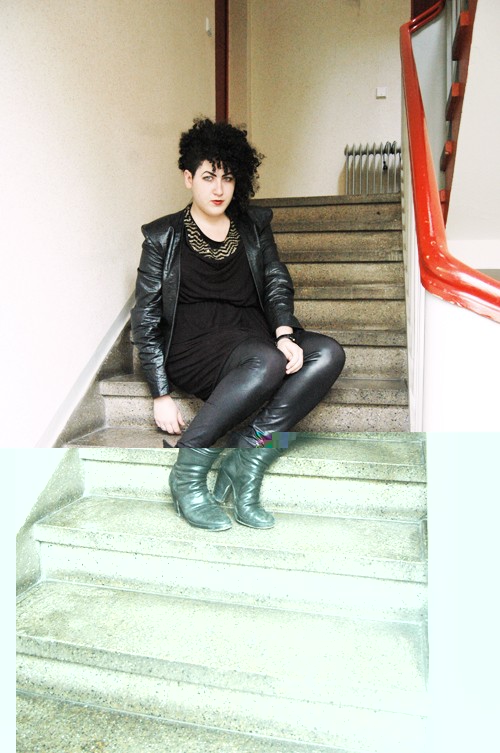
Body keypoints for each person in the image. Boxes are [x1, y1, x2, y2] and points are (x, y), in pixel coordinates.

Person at [131, 118, 345, 531]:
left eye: (227, 178)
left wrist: (284, 332)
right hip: (195, 346)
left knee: (328, 353)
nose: (218, 189)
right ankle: (188, 470)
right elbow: (146, 314)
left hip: (253, 335)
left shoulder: (253, 226)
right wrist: (160, 393)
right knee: (267, 361)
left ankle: (250, 451)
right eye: (208, 177)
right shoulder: (162, 236)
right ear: (188, 178)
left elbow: (276, 281)